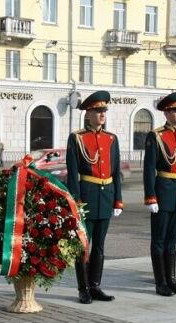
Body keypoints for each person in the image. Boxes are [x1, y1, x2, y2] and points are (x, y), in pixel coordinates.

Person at [66, 90, 123, 304]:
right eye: (98, 111)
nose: (102, 114)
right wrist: (76, 201)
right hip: (87, 198)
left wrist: (118, 199)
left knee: (99, 245)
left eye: (104, 110)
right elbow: (73, 174)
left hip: (106, 196)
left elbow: (115, 171)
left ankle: (96, 285)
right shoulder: (77, 138)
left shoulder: (111, 139)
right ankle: (83, 288)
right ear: (88, 113)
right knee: (83, 245)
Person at [143, 91, 176, 297]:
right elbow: (148, 168)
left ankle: (171, 280)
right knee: (159, 239)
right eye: (174, 111)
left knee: (172, 240)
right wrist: (150, 196)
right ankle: (160, 282)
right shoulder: (156, 135)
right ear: (166, 112)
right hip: (163, 190)